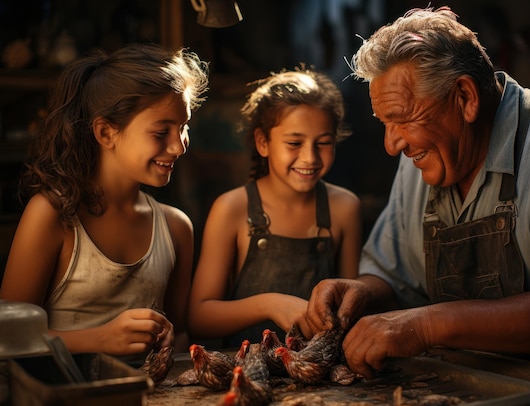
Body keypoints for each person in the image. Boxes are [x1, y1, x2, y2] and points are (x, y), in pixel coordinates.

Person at [302, 6, 530, 406]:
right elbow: (396, 277)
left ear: (465, 98)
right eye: (385, 123)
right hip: (463, 395)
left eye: (402, 119)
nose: (392, 145)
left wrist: (424, 326)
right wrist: (361, 293)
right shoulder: (422, 159)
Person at [0, 43, 209, 358]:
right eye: (160, 132)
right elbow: (8, 335)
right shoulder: (54, 215)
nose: (179, 147)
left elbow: (179, 333)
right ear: (106, 133)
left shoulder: (176, 227)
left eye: (183, 128)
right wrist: (99, 340)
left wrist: (167, 338)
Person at [188, 68, 362, 347]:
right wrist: (269, 304)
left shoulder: (344, 208)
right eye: (294, 143)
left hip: (319, 377)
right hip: (244, 373)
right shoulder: (232, 208)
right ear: (262, 142)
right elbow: (199, 318)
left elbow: (350, 308)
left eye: (324, 143)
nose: (310, 157)